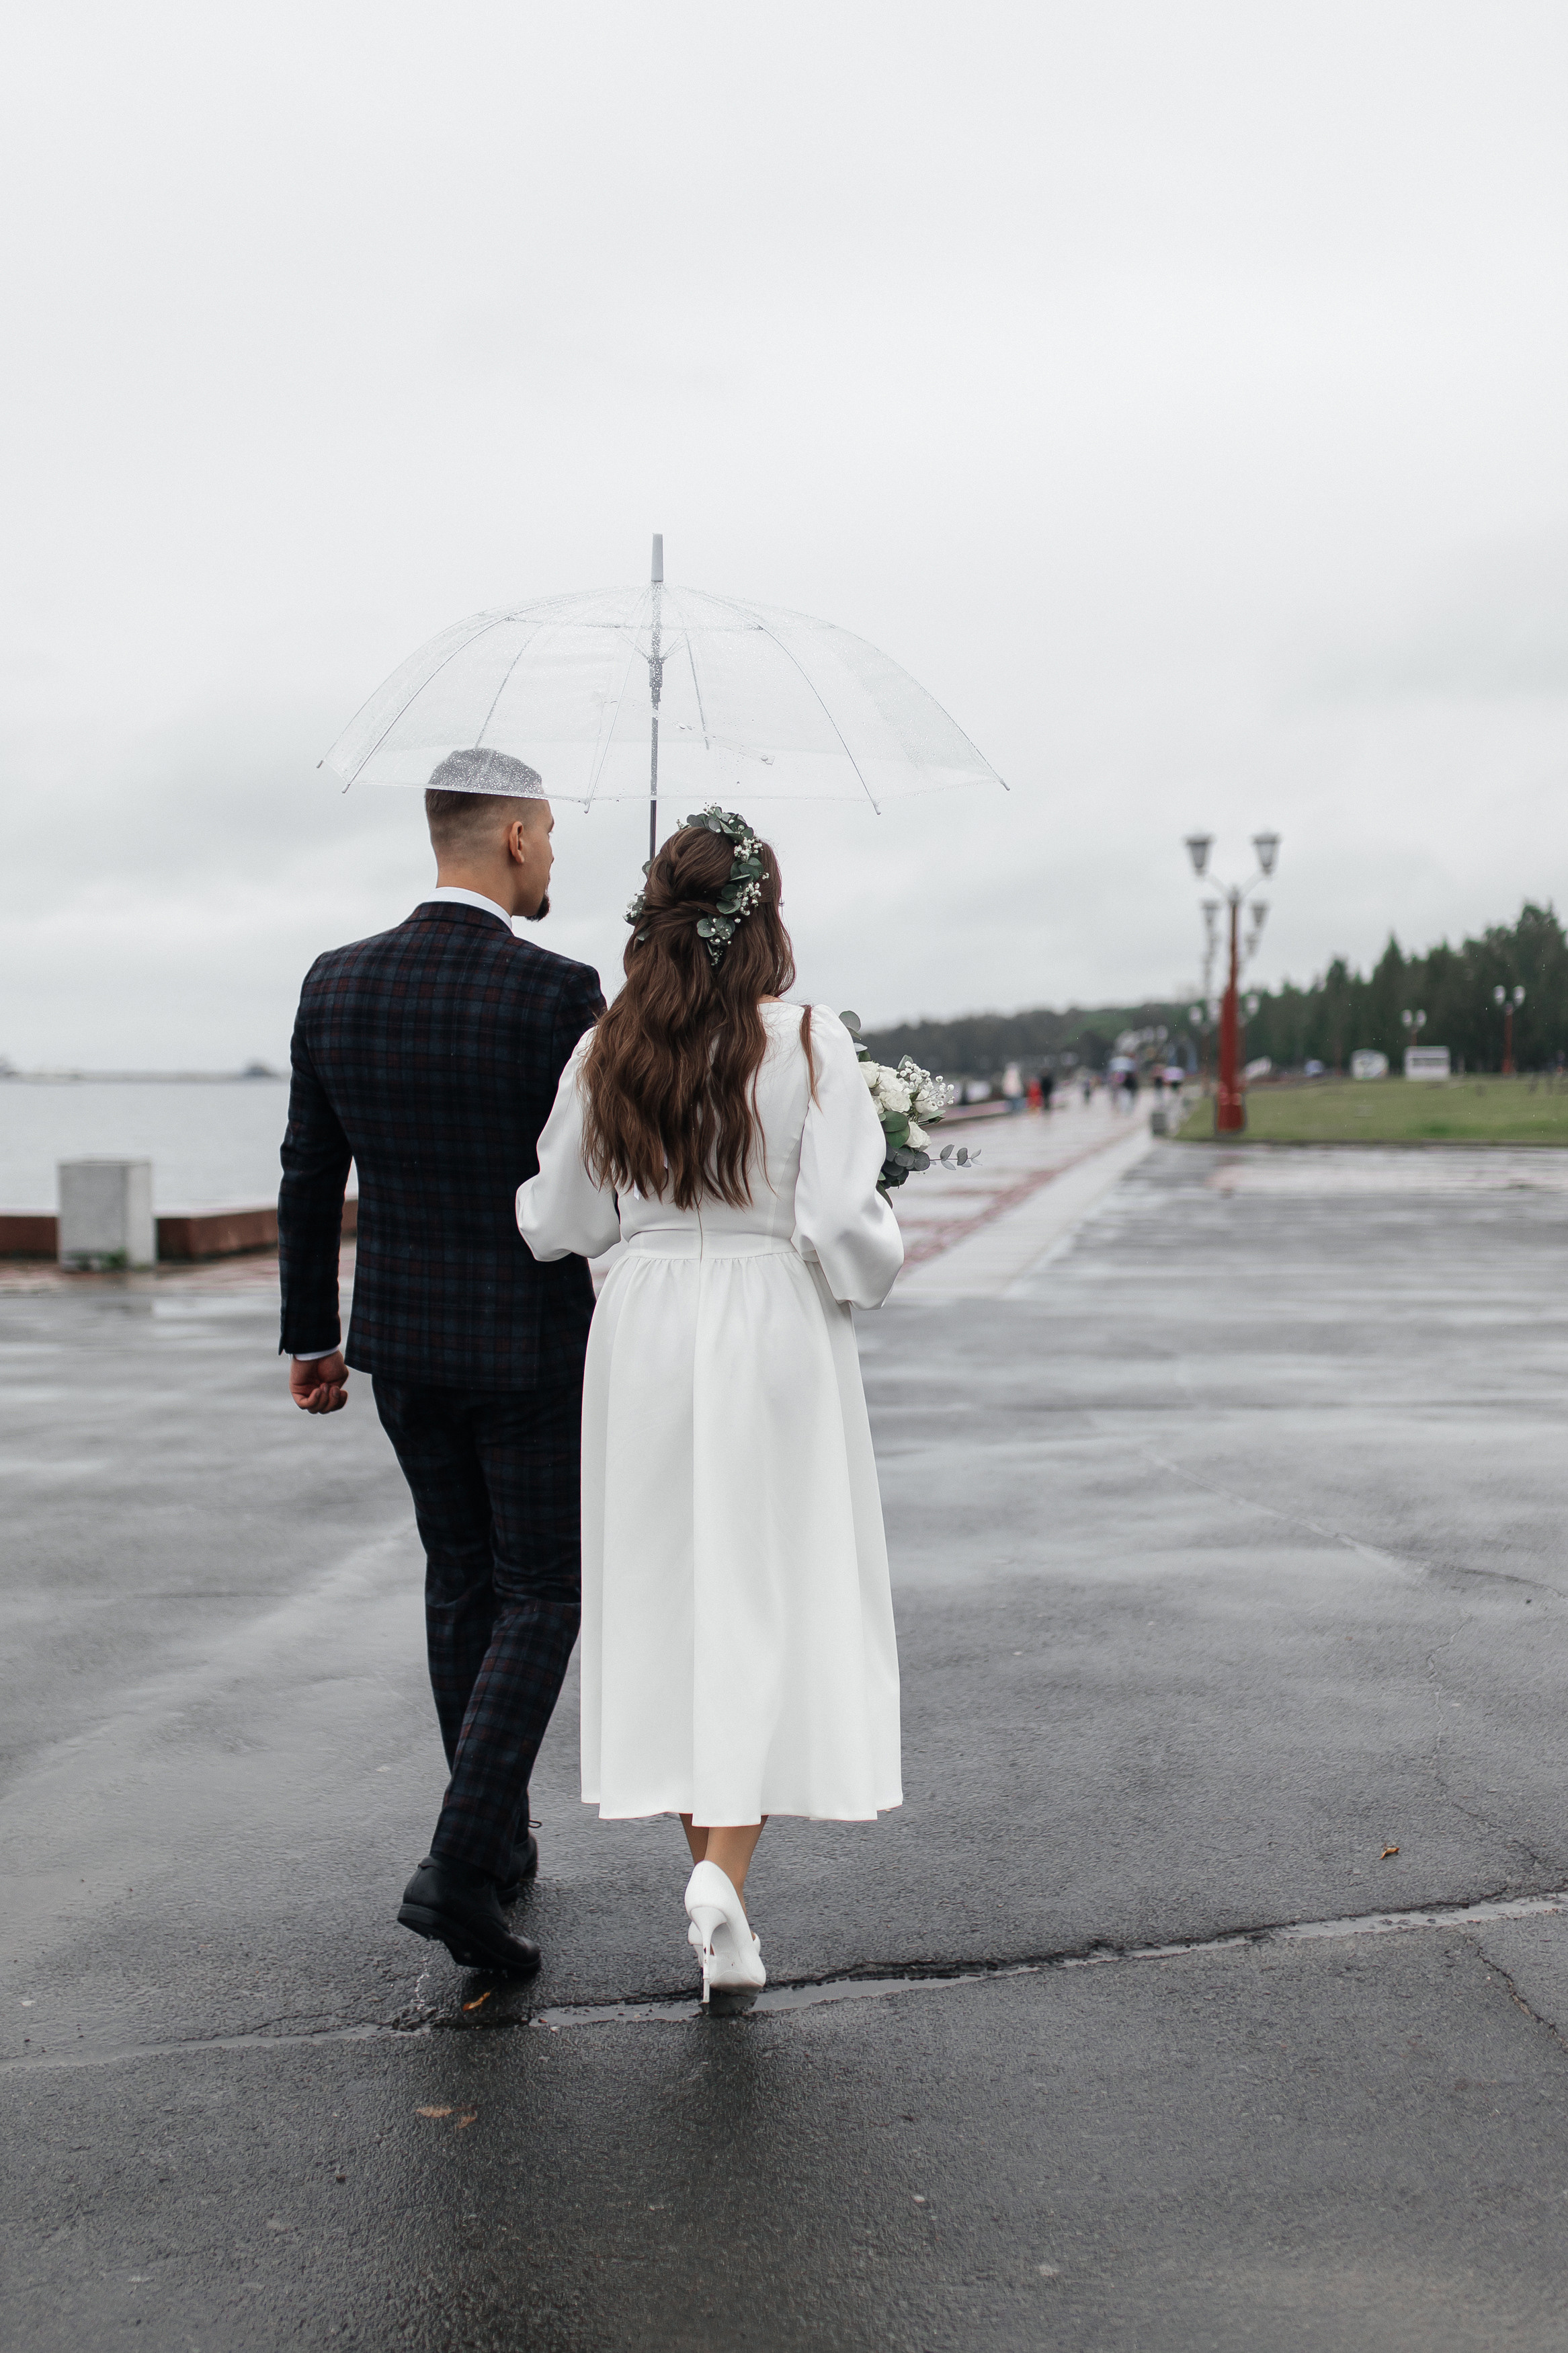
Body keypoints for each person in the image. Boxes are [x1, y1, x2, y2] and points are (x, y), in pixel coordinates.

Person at [515, 807, 904, 2005]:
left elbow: (558, 1218)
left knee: (674, 1600)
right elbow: (842, 1224)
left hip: (642, 1337)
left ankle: (714, 1883)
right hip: (773, 1323)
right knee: (767, 1594)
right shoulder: (808, 1043)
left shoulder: (605, 1047)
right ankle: (721, 1883)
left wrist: (631, 1245)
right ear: (765, 914)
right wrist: (870, 1268)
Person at [277, 746, 604, 1979]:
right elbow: (598, 1179)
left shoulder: (336, 982)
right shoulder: (557, 991)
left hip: (401, 1345)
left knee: (460, 1581)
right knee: (544, 1593)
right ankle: (463, 1862)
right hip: (528, 1347)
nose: (556, 857)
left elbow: (312, 1175)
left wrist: (314, 1335)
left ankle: (501, 1839)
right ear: (515, 837)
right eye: (553, 836)